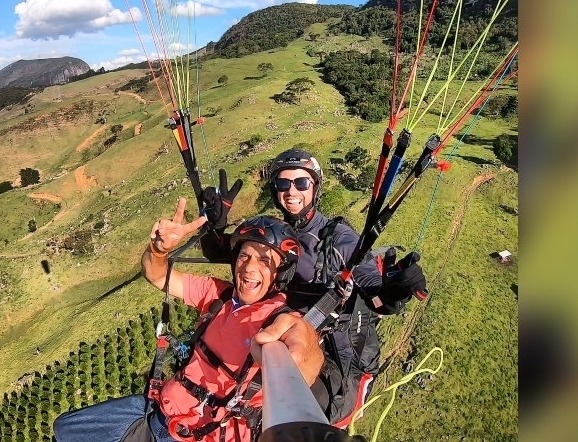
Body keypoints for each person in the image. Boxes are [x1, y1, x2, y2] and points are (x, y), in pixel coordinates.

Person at [53, 198, 324, 442]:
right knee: (64, 430)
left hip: (198, 434)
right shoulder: (218, 295)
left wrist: (305, 347)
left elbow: (305, 358)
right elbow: (158, 276)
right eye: (244, 256)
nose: (250, 267)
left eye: (265, 260)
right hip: (155, 412)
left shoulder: (280, 320)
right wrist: (159, 251)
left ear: (282, 272)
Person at [200, 150, 428, 424]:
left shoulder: (339, 239)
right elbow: (223, 253)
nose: (291, 191)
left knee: (296, 420)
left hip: (335, 349)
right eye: (283, 184)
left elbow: (373, 292)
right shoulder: (275, 232)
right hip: (284, 334)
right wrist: (214, 226)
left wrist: (393, 291)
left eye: (301, 183)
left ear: (315, 187)